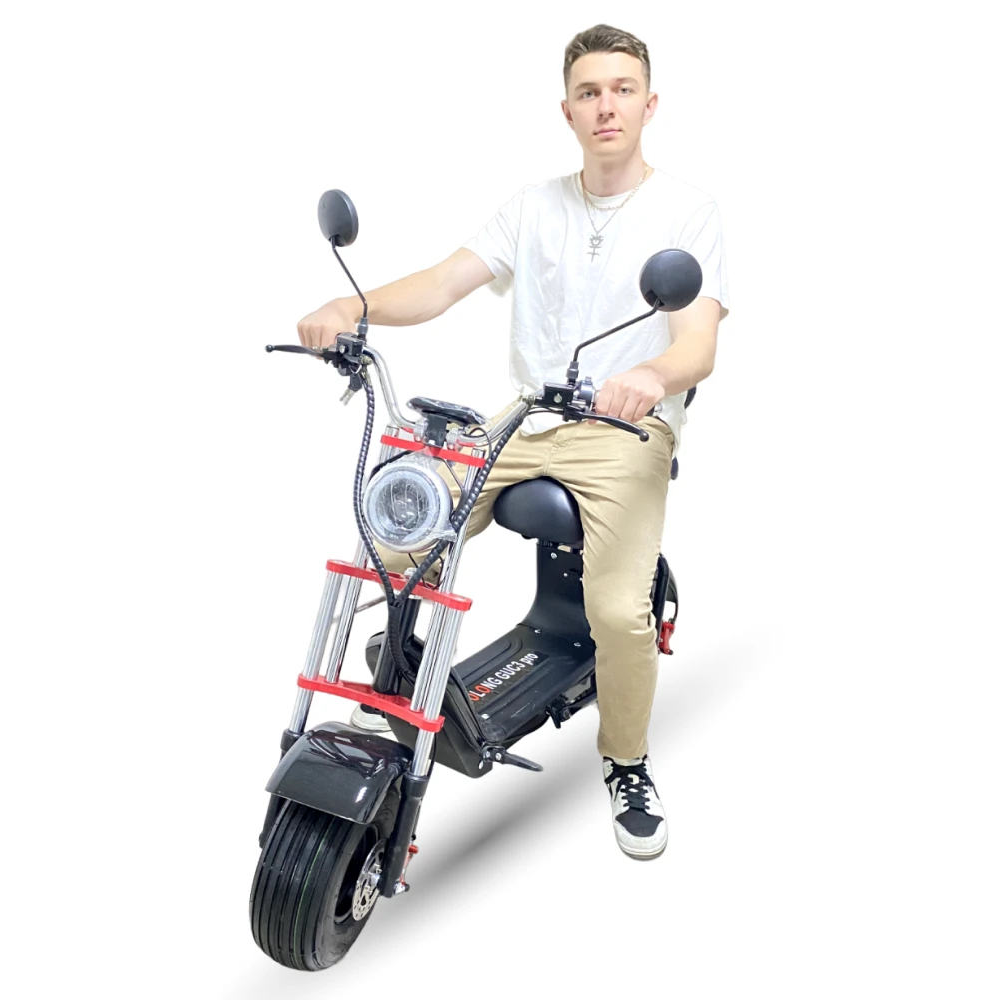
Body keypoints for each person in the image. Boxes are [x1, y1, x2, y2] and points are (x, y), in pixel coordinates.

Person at [297, 23, 729, 860]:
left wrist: (652, 376)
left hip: (624, 431)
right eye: (590, 92)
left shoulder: (688, 211)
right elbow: (441, 283)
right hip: (525, 418)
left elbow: (698, 342)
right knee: (396, 537)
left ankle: (627, 761)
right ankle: (394, 693)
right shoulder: (533, 206)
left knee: (617, 612)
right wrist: (354, 307)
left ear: (650, 104)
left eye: (623, 89)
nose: (607, 106)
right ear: (567, 110)